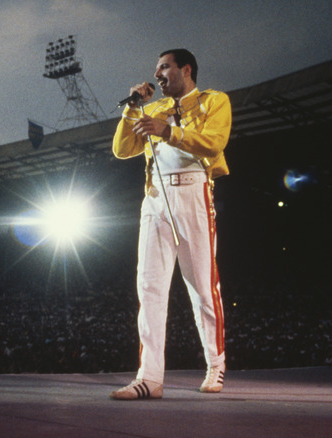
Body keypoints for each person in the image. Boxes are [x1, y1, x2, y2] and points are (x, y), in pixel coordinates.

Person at [110, 48, 232, 400]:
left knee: (202, 289)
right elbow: (122, 149)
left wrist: (167, 131)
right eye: (156, 69)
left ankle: (216, 364)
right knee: (148, 287)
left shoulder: (214, 100)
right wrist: (132, 107)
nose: (158, 74)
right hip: (155, 198)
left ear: (186, 69)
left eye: (164, 67)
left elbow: (215, 143)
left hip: (193, 193)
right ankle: (149, 377)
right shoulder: (152, 109)